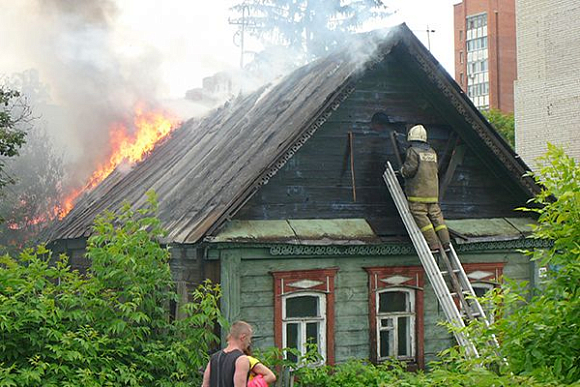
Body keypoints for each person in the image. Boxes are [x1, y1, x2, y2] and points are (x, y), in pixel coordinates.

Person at [398, 124, 451, 253]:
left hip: (418, 194)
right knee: (437, 218)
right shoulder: (432, 152)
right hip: (433, 194)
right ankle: (446, 242)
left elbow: (410, 169)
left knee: (421, 217)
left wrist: (402, 171)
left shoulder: (413, 151)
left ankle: (433, 244)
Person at [202, 321, 252, 387]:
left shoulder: (214, 358)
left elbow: (205, 385)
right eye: (249, 338)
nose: (249, 342)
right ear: (243, 337)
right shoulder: (241, 359)